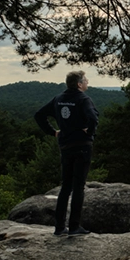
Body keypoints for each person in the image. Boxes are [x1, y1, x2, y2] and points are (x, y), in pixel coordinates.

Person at [34, 70, 99, 237]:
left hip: (65, 146)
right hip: (82, 145)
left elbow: (39, 115)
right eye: (85, 80)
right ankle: (75, 226)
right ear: (79, 84)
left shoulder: (59, 99)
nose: (87, 82)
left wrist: (53, 132)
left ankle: (59, 227)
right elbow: (93, 118)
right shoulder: (84, 99)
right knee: (78, 187)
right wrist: (89, 133)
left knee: (66, 187)